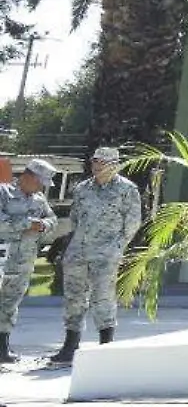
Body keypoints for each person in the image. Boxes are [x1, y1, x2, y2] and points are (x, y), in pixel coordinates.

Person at [49, 146, 143, 363]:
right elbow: (75, 218)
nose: (96, 166)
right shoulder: (83, 189)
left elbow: (132, 222)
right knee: (74, 298)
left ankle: (106, 348)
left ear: (113, 164)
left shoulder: (126, 189)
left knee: (103, 298)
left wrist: (116, 246)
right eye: (94, 161)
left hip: (106, 253)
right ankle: (70, 345)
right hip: (78, 252)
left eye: (101, 162)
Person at [0, 160, 56, 363]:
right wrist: (27, 224)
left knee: (10, 304)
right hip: (2, 258)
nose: (42, 187)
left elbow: (52, 220)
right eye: (40, 182)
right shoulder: (4, 192)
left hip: (23, 261)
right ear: (29, 176)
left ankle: (2, 349)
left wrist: (42, 225)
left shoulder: (39, 199)